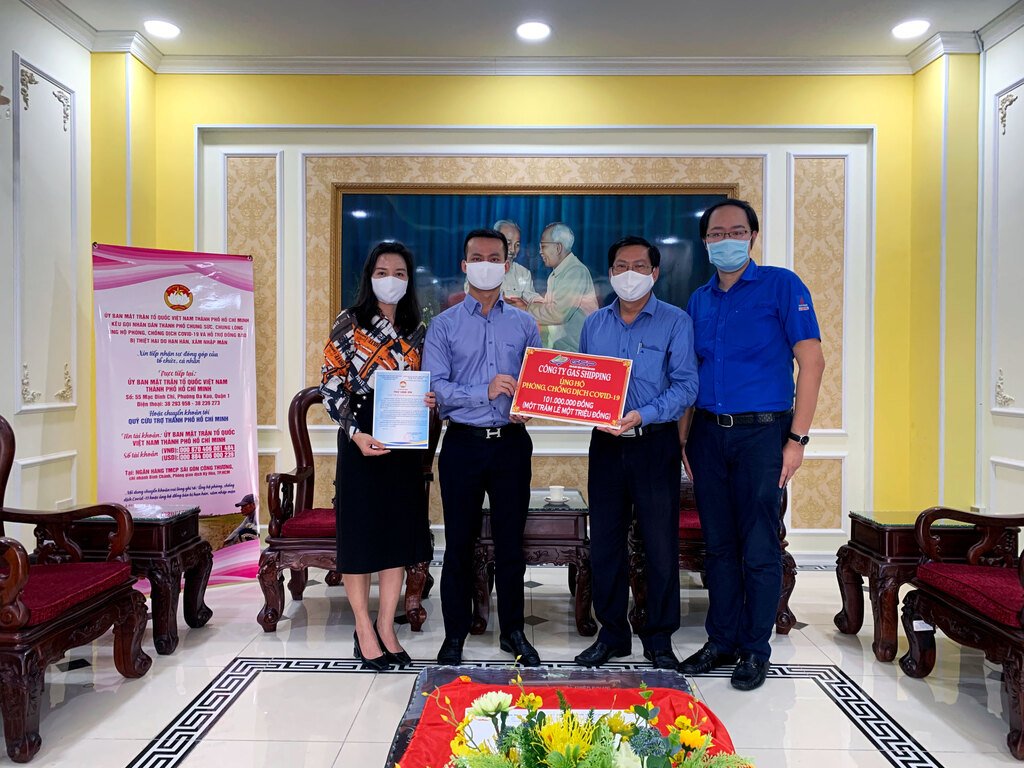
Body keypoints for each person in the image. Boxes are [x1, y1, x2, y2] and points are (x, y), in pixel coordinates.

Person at [678, 199, 825, 691]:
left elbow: (813, 363)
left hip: (764, 433)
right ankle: (720, 640)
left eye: (736, 231)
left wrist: (797, 440)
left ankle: (754, 649)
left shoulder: (782, 286)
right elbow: (690, 375)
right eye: (717, 234)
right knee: (718, 546)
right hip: (707, 434)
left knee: (759, 545)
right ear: (705, 243)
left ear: (753, 237)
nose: (727, 240)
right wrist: (684, 439)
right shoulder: (699, 300)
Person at [573, 236, 698, 669]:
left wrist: (643, 414)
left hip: (654, 443)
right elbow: (583, 381)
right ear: (610, 273)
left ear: (655, 272)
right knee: (605, 543)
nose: (630, 274)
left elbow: (687, 386)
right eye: (621, 266)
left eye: (640, 266)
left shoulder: (675, 322)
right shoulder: (594, 324)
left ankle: (659, 637)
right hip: (606, 446)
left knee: (659, 543)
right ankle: (612, 634)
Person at [423, 227, 542, 667]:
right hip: (463, 445)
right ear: (464, 265)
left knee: (511, 545)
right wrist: (484, 391)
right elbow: (436, 388)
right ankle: (455, 633)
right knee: (459, 544)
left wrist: (531, 405)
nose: (486, 265)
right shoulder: (444, 325)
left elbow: (539, 381)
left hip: (511, 445)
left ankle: (513, 631)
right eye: (478, 258)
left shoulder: (525, 324)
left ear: (507, 266)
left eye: (495, 259)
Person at [320, 241, 434, 671]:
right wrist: (356, 433)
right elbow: (331, 386)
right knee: (361, 536)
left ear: (409, 280)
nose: (391, 280)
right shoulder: (349, 322)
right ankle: (363, 628)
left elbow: (425, 380)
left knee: (396, 537)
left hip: (403, 442)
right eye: (383, 272)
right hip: (360, 441)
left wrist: (429, 399)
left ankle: (387, 626)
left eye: (400, 273)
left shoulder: (416, 328)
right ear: (369, 277)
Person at [506, 222, 597, 352]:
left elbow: (557, 314)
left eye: (543, 246)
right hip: (561, 349)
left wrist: (525, 308)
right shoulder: (557, 274)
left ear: (558, 248)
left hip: (576, 352)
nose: (540, 252)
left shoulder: (575, 271)